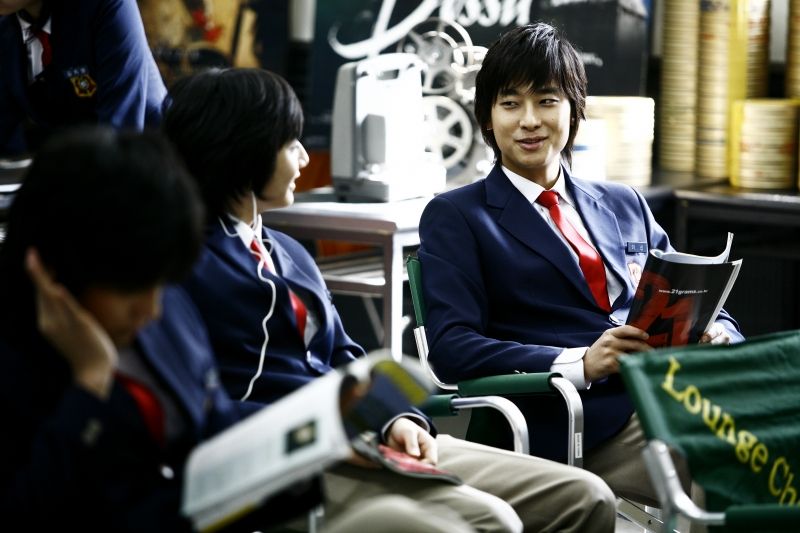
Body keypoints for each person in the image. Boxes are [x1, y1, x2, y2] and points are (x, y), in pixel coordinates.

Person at [163, 66, 618, 533]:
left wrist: (395, 416)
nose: (304, 155)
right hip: (284, 463)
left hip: (365, 437)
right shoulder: (183, 269)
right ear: (242, 152)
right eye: (288, 142)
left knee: (586, 497)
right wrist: (326, 432)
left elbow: (346, 356)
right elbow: (193, 411)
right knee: (492, 520)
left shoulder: (288, 252)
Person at [0, 126, 486, 533]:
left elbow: (212, 430)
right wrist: (89, 387)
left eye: (160, 284)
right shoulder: (19, 364)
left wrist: (313, 438)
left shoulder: (163, 317)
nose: (151, 310)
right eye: (132, 291)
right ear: (53, 271)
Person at [416, 22, 744, 506]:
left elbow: (698, 297)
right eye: (510, 104)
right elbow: (452, 347)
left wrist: (719, 333)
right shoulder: (458, 216)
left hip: (676, 393)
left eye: (547, 100)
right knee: (732, 457)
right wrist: (580, 363)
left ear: (574, 109)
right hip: (572, 420)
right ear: (487, 116)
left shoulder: (624, 202)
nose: (530, 120)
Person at [0, 0, 166, 156]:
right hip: (70, 160)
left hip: (147, 157)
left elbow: (121, 130)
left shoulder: (104, 6)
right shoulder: (8, 25)